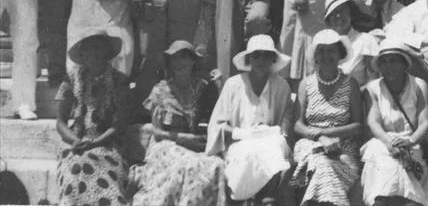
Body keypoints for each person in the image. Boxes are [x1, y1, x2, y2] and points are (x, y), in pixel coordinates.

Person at [130, 40, 225, 205]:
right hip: (166, 146)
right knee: (187, 165)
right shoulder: (160, 90)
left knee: (216, 165)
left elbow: (218, 119)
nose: (179, 63)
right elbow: (157, 132)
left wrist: (219, 87)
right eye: (175, 58)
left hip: (196, 146)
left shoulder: (203, 88)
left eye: (184, 58)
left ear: (193, 62)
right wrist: (183, 138)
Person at [206, 34, 293, 203]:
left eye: (266, 55)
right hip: (239, 145)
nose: (261, 59)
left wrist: (269, 134)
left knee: (277, 147)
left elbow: (284, 128)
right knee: (248, 156)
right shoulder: (233, 84)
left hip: (270, 144)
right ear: (248, 58)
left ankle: (266, 199)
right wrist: (244, 134)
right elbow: (218, 126)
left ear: (273, 59)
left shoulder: (282, 86)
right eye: (256, 55)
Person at [361, 39, 428, 206]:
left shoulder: (419, 85)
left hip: (413, 142)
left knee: (392, 166)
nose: (388, 66)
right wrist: (389, 142)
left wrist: (409, 141)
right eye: (384, 62)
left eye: (393, 61)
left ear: (404, 63)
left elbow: (425, 122)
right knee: (384, 158)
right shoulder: (373, 88)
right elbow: (373, 121)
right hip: (383, 141)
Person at [55, 30, 129, 206]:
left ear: (107, 53)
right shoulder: (71, 78)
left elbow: (119, 125)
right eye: (89, 50)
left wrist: (95, 143)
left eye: (99, 49)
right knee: (75, 166)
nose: (94, 54)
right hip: (75, 140)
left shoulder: (120, 80)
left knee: (99, 169)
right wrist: (75, 141)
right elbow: (60, 122)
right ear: (82, 54)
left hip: (108, 143)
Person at [291, 29, 364, 206]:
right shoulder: (306, 84)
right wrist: (320, 137)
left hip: (343, 147)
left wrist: (328, 133)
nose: (326, 56)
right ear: (315, 55)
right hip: (310, 145)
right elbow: (297, 124)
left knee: (324, 166)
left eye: (331, 50)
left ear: (340, 53)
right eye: (321, 50)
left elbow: (358, 126)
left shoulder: (350, 84)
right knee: (322, 163)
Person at [322, 0, 378, 86]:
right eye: (334, 12)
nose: (338, 16)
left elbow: (373, 82)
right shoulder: (322, 44)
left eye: (342, 10)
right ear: (329, 19)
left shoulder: (366, 40)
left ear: (351, 13)